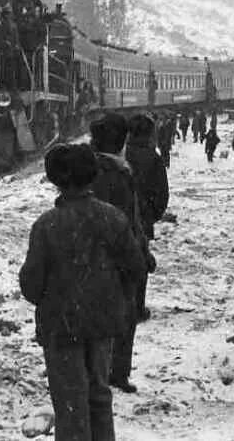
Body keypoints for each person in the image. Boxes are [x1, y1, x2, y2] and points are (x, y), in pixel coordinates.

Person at [19, 144, 146, 441]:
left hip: (61, 328)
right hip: (102, 324)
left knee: (70, 402)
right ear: (92, 176)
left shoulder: (46, 225)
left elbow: (31, 286)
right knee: (99, 395)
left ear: (55, 179)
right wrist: (113, 297)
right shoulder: (113, 218)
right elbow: (136, 268)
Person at [89, 114, 155, 394]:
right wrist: (140, 254)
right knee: (124, 316)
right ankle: (116, 372)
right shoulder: (117, 172)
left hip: (97, 256)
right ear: (121, 142)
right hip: (117, 256)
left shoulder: (94, 168)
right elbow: (126, 219)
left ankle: (102, 370)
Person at [125, 115, 169, 321]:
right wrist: (150, 216)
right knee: (140, 264)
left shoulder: (121, 154)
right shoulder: (153, 157)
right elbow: (162, 195)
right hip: (141, 221)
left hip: (115, 218)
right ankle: (137, 308)